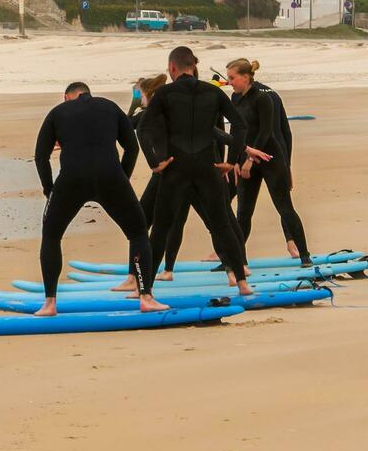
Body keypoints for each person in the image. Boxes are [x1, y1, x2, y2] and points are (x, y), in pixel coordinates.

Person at [34, 81, 166, 317]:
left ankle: (49, 303)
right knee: (137, 233)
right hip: (110, 177)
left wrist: (49, 189)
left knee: (51, 236)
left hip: (71, 180)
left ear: (67, 97)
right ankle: (146, 297)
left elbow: (40, 156)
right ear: (88, 93)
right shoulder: (110, 107)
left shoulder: (58, 112)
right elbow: (132, 148)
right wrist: (122, 179)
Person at [145, 47, 257, 296]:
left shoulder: (164, 93)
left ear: (172, 67)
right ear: (192, 66)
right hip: (208, 168)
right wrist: (232, 160)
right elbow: (240, 125)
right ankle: (242, 283)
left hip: (176, 169)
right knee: (222, 225)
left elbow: (143, 129)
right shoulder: (213, 92)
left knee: (162, 228)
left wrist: (155, 162)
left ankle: (146, 291)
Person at [225, 58, 312, 266]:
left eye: (232, 78)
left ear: (246, 77)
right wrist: (234, 161)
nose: (229, 82)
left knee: (285, 208)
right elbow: (235, 131)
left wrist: (250, 160)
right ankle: (236, 259)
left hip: (270, 158)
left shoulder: (263, 98)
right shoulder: (235, 99)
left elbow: (266, 132)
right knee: (243, 213)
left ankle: (304, 255)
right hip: (247, 160)